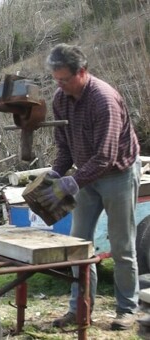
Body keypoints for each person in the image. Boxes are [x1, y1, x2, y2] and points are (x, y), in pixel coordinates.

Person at [40, 43, 141, 331]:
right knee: (78, 245)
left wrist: (70, 182)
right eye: (55, 79)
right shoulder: (61, 99)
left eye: (64, 79)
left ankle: (126, 309)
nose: (59, 85)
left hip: (118, 174)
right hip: (86, 174)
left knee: (121, 245)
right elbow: (64, 148)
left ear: (82, 72)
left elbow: (105, 157)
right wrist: (53, 175)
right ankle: (79, 309)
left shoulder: (103, 100)